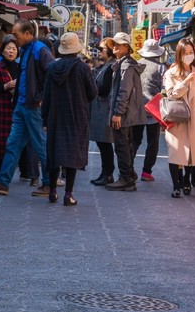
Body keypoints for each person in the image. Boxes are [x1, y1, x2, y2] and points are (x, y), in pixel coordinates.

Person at [0, 20, 55, 196]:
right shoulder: (26, 50)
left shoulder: (39, 49)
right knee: (12, 144)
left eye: (16, 34)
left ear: (28, 33)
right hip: (22, 105)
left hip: (33, 107)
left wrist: (41, 98)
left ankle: (48, 183)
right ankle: (3, 181)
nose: (14, 38)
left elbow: (52, 73)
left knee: (40, 146)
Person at [41, 32, 97, 205]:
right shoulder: (83, 68)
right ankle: (68, 194)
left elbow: (46, 95)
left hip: (55, 116)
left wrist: (45, 118)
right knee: (72, 154)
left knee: (54, 153)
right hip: (77, 116)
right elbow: (92, 92)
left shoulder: (51, 68)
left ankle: (52, 191)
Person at [162, 37, 195, 198]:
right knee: (176, 152)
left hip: (193, 117)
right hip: (176, 117)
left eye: (191, 52)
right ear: (179, 54)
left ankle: (187, 179)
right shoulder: (171, 73)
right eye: (185, 52)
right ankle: (176, 186)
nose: (189, 55)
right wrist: (186, 82)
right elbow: (172, 93)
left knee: (191, 152)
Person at [105, 33, 145, 191]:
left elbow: (124, 91)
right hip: (128, 113)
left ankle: (125, 178)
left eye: (118, 44)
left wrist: (118, 113)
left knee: (122, 146)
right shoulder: (124, 64)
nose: (115, 46)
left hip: (123, 114)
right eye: (113, 44)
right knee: (126, 145)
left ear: (127, 47)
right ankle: (129, 175)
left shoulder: (126, 66)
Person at [0, 38, 23, 175]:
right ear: (2, 51)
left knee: (13, 142)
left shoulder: (21, 69)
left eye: (14, 49)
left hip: (16, 110)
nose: (11, 51)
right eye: (8, 48)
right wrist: (5, 86)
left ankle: (9, 171)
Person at [133, 39, 167, 181]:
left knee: (134, 140)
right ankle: (146, 172)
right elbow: (164, 90)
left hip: (136, 109)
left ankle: (128, 169)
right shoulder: (161, 68)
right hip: (154, 110)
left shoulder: (135, 65)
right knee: (152, 142)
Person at [88, 39, 118, 186]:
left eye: (102, 49)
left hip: (104, 109)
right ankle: (105, 173)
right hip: (100, 109)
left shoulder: (111, 67)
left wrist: (92, 88)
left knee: (105, 143)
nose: (99, 52)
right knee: (102, 144)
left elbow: (104, 89)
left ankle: (108, 173)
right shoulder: (105, 66)